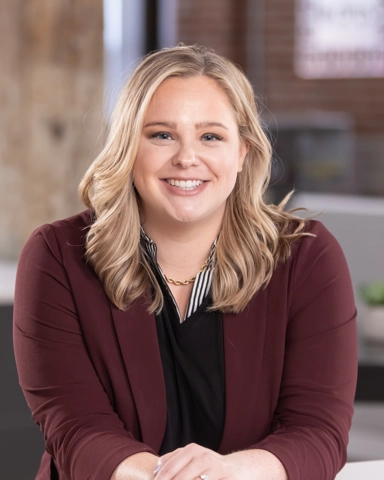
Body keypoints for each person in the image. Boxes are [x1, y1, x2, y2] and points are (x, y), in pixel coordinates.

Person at [13, 44, 357, 480]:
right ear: (128, 148)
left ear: (243, 152)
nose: (186, 158)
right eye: (161, 134)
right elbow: (76, 427)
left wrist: (228, 473)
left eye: (211, 136)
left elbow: (318, 432)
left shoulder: (306, 257)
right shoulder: (56, 257)